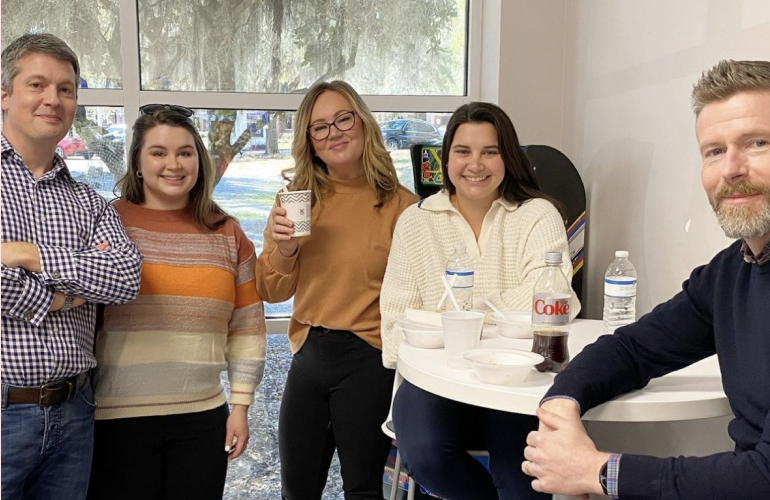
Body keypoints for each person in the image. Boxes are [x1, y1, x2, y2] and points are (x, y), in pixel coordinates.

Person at [521, 59, 770, 500]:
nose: (730, 169)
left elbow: (763, 478)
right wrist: (562, 401)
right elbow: (634, 349)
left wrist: (597, 471)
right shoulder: (731, 272)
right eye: (714, 151)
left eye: (757, 143)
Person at [380, 101, 580, 500]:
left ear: (508, 156)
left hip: (518, 378)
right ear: (445, 158)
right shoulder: (415, 222)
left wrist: (453, 320)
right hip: (434, 379)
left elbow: (555, 300)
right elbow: (395, 322)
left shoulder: (537, 215)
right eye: (463, 151)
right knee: (426, 453)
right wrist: (502, 319)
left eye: (490, 151)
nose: (476, 164)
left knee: (524, 479)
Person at [87, 105, 266, 500]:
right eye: (158, 152)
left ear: (198, 161)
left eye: (185, 152)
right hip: (118, 418)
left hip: (202, 418)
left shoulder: (227, 233)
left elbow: (248, 327)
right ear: (137, 164)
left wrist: (240, 406)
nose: (174, 164)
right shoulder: (108, 223)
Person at [255, 80, 418, 499]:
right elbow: (270, 290)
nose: (334, 132)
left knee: (363, 489)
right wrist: (286, 249)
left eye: (343, 119)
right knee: (297, 488)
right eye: (320, 127)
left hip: (369, 357)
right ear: (309, 141)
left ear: (362, 124)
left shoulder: (402, 206)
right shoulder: (297, 201)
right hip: (308, 353)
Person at [0, 33, 143, 499]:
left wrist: (29, 255)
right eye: (37, 84)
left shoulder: (88, 201)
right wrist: (63, 296)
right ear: (4, 94)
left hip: (75, 412)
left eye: (66, 89)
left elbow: (124, 277)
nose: (53, 99)